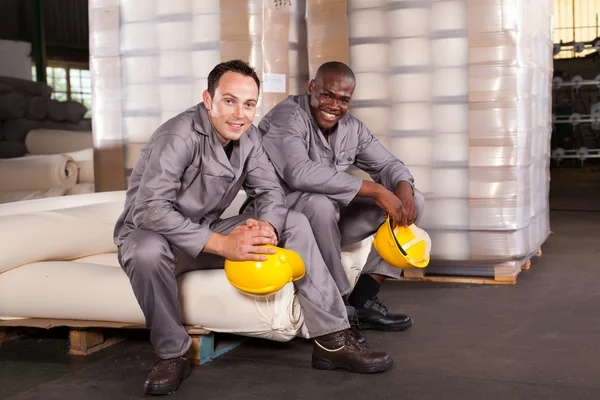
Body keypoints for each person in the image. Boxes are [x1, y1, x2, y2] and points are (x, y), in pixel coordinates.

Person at [113, 60, 394, 396]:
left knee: (294, 218)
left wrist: (268, 227)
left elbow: (271, 192)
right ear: (208, 99)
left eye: (248, 105)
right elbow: (149, 209)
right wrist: (222, 244)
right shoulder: (178, 135)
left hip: (208, 230)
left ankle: (333, 340)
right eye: (229, 101)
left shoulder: (249, 138)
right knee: (144, 250)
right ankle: (171, 354)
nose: (239, 114)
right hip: (159, 238)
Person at [252, 61, 425, 346]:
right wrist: (375, 190)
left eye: (343, 100)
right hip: (285, 222)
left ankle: (363, 301)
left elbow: (389, 164)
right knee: (319, 203)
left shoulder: (351, 128)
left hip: (329, 219)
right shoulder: (287, 116)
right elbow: (299, 172)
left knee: (412, 199)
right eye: (326, 95)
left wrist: (403, 188)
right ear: (311, 88)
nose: (333, 105)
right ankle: (339, 310)